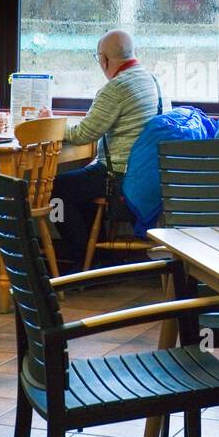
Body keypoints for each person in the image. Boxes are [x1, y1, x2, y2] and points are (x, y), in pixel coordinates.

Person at [53, 30, 162, 266]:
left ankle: (80, 260)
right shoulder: (151, 79)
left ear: (103, 59)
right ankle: (96, 257)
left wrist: (49, 125)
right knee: (78, 188)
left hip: (119, 175)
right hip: (148, 172)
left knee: (55, 191)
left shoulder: (116, 87)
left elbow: (84, 134)